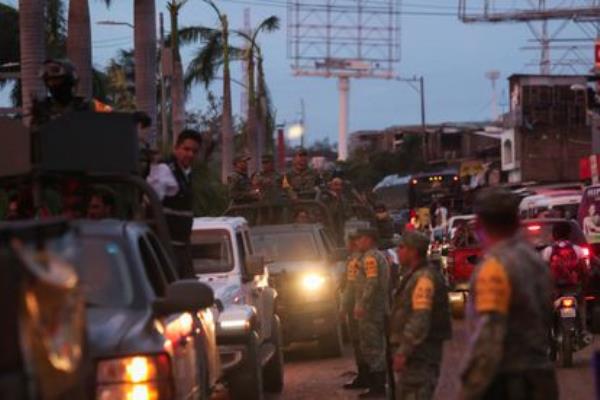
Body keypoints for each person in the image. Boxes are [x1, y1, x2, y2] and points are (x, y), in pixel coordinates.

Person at [458, 188, 557, 400]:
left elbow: (489, 338)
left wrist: (469, 390)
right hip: (542, 379)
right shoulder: (534, 260)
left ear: (478, 225)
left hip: (509, 384)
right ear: (517, 220)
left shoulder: (494, 267)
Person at [389, 231, 451, 400]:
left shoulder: (424, 278)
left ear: (413, 251)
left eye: (402, 247)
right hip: (416, 355)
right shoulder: (414, 275)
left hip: (420, 355)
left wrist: (404, 351)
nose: (398, 251)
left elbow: (420, 318)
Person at [147, 129, 202, 279]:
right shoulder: (165, 170)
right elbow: (151, 200)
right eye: (186, 149)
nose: (190, 154)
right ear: (176, 148)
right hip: (166, 250)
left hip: (181, 248)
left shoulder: (186, 174)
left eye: (194, 151)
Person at [353, 228, 390, 398]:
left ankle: (378, 388)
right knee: (375, 346)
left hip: (372, 310)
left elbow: (371, 283)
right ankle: (378, 385)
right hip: (377, 308)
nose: (356, 242)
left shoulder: (370, 258)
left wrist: (362, 304)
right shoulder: (375, 256)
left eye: (359, 239)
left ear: (368, 240)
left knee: (373, 347)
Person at [542, 221, 590, 339]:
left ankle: (548, 333)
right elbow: (584, 269)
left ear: (554, 235)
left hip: (555, 289)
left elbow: (542, 271)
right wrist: (584, 283)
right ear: (569, 234)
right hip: (574, 288)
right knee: (581, 305)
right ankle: (583, 330)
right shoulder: (577, 249)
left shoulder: (548, 251)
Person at [340, 232, 369, 390]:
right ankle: (364, 375)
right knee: (357, 342)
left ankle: (371, 377)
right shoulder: (353, 259)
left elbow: (353, 287)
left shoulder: (359, 261)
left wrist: (344, 307)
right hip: (355, 306)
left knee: (364, 342)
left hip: (359, 307)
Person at [31, 59, 94, 128]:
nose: (52, 84)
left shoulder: (83, 107)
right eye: (49, 81)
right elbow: (34, 134)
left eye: (57, 80)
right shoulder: (43, 108)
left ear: (69, 81)